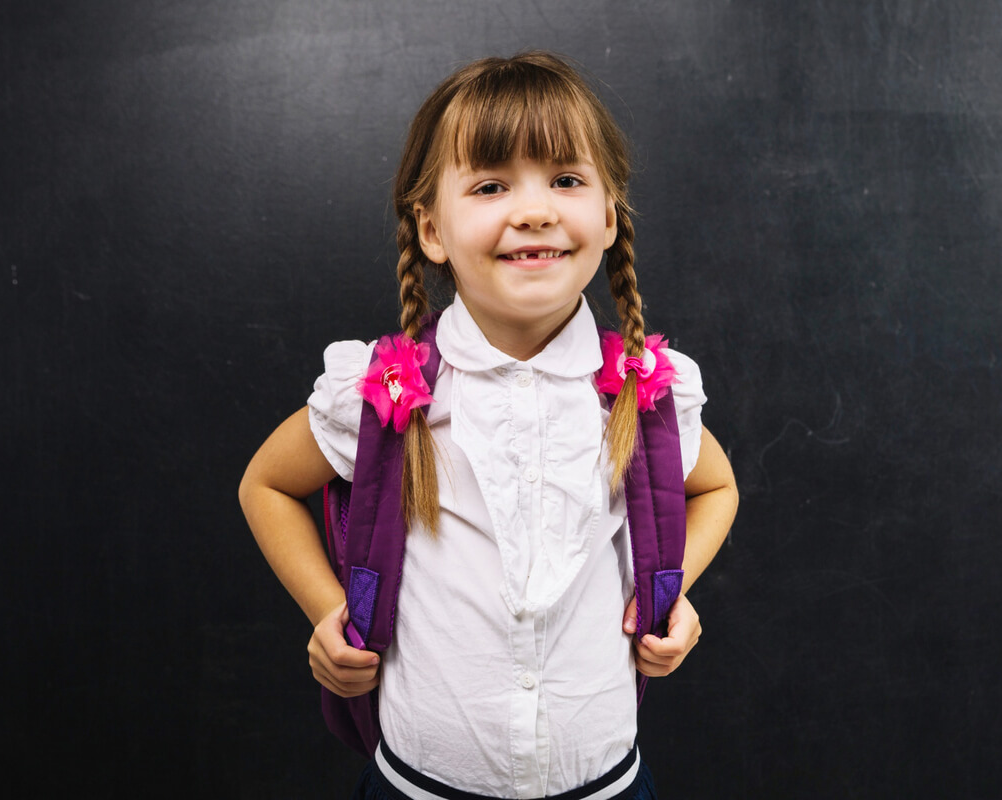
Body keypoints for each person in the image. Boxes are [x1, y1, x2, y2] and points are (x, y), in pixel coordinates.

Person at [239, 51, 739, 800]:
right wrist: (327, 613)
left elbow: (718, 486)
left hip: (605, 785)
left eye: (566, 180)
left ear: (607, 216)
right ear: (432, 229)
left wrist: (666, 594)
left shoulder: (646, 396)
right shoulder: (381, 393)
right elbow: (267, 483)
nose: (534, 210)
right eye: (491, 185)